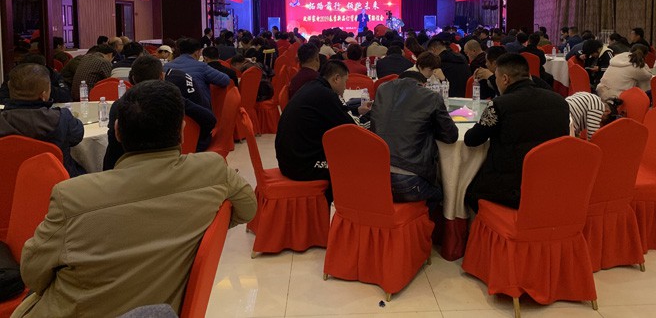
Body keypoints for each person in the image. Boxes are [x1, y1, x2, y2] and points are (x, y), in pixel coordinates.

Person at [12, 80, 256, 318]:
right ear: (182, 132)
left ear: (117, 131)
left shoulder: (73, 197)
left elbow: (32, 273)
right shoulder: (212, 170)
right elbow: (247, 208)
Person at [464, 54, 570, 212]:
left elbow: (472, 140)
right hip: (551, 182)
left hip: (511, 188)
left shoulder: (499, 105)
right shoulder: (560, 101)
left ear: (505, 79)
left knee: (468, 193)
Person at [103, 55, 218, 169]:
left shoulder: (119, 106)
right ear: (162, 76)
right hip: (175, 160)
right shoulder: (173, 100)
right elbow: (209, 120)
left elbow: (112, 149)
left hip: (127, 168)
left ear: (133, 78)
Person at [370, 71, 458, 207]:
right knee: (442, 195)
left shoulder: (382, 90)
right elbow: (451, 136)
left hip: (376, 176)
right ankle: (422, 218)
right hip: (408, 181)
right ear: (423, 85)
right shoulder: (431, 97)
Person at [275, 61, 356, 196]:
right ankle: (338, 205)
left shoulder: (313, 87)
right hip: (300, 166)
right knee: (348, 165)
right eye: (345, 81)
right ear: (336, 78)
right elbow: (351, 128)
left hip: (288, 159)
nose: (345, 87)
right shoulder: (325, 94)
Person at [0, 63, 84, 177]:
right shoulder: (62, 118)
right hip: (57, 181)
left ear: (10, 88)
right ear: (44, 95)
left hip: (8, 181)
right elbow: (77, 136)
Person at [164, 37, 230, 109]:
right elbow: (225, 80)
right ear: (197, 53)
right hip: (198, 109)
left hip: (172, 108)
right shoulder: (201, 66)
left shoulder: (166, 66)